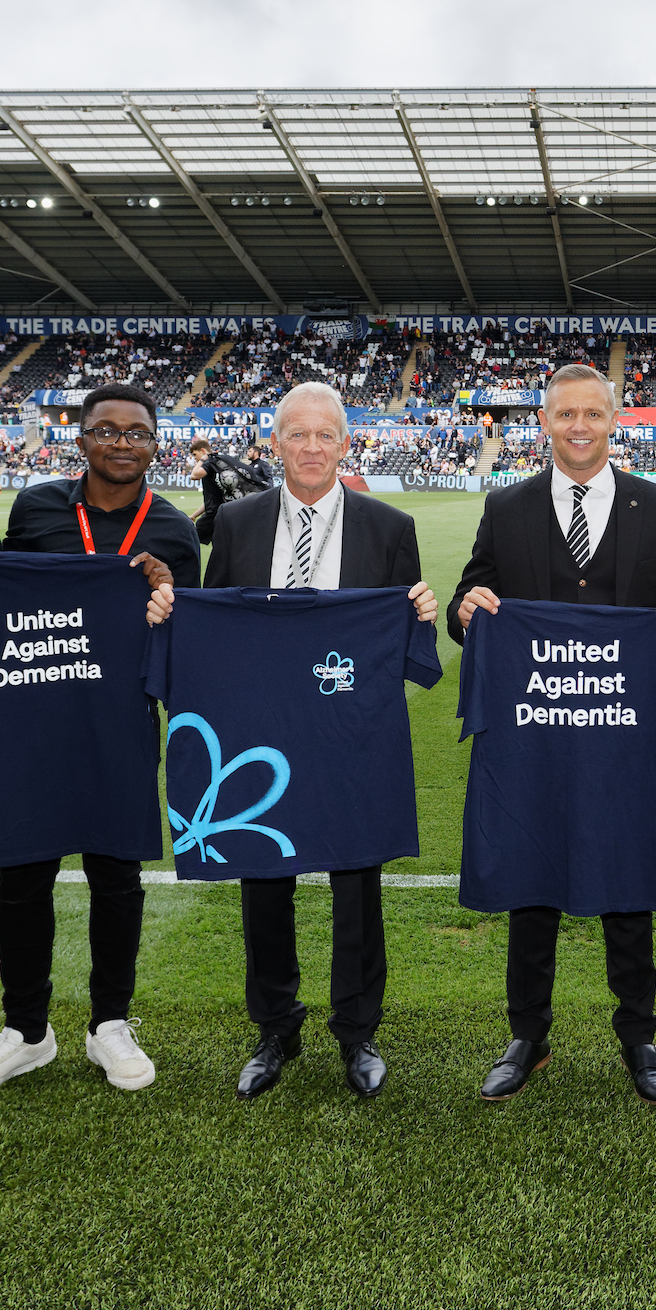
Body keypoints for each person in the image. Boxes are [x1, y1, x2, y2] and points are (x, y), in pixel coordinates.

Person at [452, 363, 656, 1104]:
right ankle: (526, 1034)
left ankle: (639, 1035)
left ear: (613, 421)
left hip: (622, 738)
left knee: (626, 881)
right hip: (532, 735)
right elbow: (468, 599)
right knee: (531, 882)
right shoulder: (506, 507)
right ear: (544, 422)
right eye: (564, 414)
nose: (577, 426)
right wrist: (466, 611)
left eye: (592, 414)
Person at [0, 382, 200, 1103]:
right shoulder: (41, 507)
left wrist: (167, 596)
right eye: (106, 430)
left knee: (117, 876)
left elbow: (186, 637)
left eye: (137, 431)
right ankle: (26, 1030)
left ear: (156, 444)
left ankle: (109, 1023)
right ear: (80, 440)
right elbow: (8, 592)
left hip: (119, 721)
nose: (122, 441)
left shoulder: (173, 529)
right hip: (35, 716)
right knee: (24, 875)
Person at [188, 381, 437, 1101]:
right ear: (275, 444)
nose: (311, 448)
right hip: (262, 726)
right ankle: (275, 1027)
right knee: (262, 875)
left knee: (357, 881)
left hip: (349, 732)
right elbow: (218, 625)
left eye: (325, 435)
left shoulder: (389, 528)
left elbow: (406, 646)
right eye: (296, 434)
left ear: (345, 444)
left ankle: (358, 1031)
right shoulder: (235, 525)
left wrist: (418, 610)